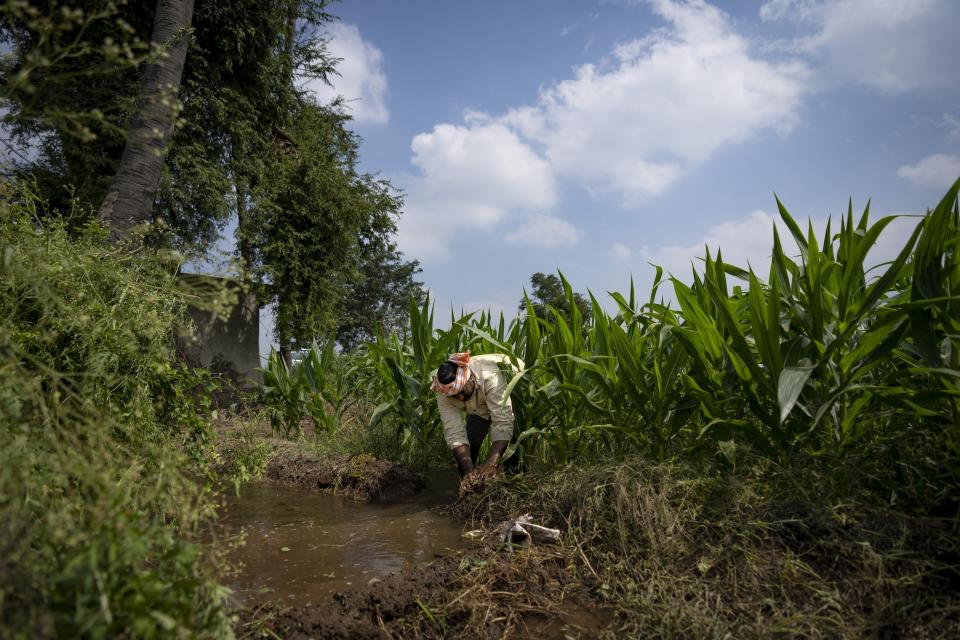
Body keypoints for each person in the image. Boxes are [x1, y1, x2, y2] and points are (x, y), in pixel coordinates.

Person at [431, 351, 523, 480]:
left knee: (512, 449)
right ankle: (468, 485)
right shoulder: (443, 389)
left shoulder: (491, 375)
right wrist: (469, 473)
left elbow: (503, 421)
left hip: (511, 393)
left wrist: (491, 463)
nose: (461, 398)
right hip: (478, 407)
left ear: (470, 377)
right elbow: (454, 433)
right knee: (469, 450)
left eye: (461, 392)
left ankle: (512, 481)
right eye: (455, 396)